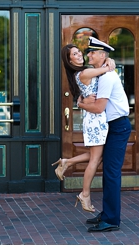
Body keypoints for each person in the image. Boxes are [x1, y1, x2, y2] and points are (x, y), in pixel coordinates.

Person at [53, 43, 116, 213]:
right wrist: (109, 61)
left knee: (98, 156)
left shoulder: (81, 73)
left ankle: (67, 162)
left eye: (79, 52)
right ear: (69, 60)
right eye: (74, 54)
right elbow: (107, 68)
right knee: (95, 159)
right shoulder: (84, 73)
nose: (80, 55)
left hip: (96, 118)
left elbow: (105, 65)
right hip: (95, 119)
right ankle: (85, 194)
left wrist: (108, 60)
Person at [77, 36, 131, 233]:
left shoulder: (107, 77)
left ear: (102, 55)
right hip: (112, 127)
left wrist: (81, 105)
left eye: (92, 52)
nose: (88, 55)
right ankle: (107, 213)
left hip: (118, 127)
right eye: (89, 52)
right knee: (107, 171)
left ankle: (111, 219)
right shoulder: (103, 74)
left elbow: (99, 108)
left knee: (111, 173)